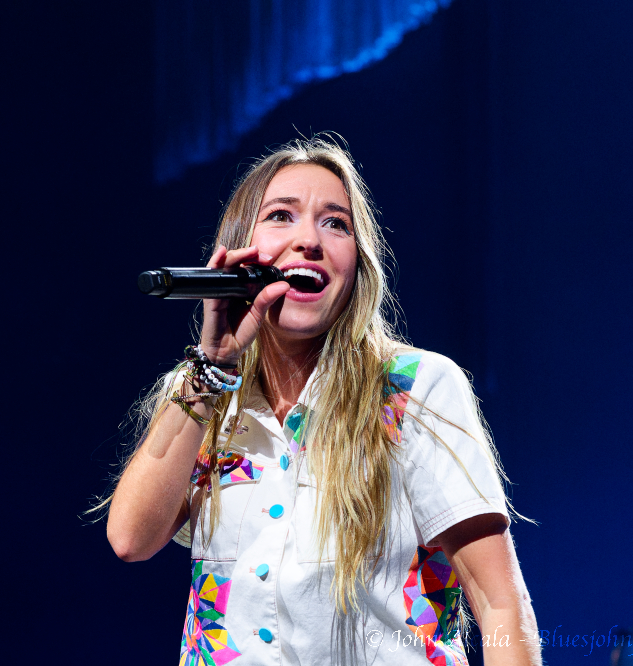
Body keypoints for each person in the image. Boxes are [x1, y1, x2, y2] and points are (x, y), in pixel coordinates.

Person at [103, 136, 541, 666]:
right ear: (239, 254)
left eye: (336, 223)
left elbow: (498, 601)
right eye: (282, 216)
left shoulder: (414, 387)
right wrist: (210, 370)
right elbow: (131, 538)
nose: (310, 239)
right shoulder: (202, 392)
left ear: (357, 265)